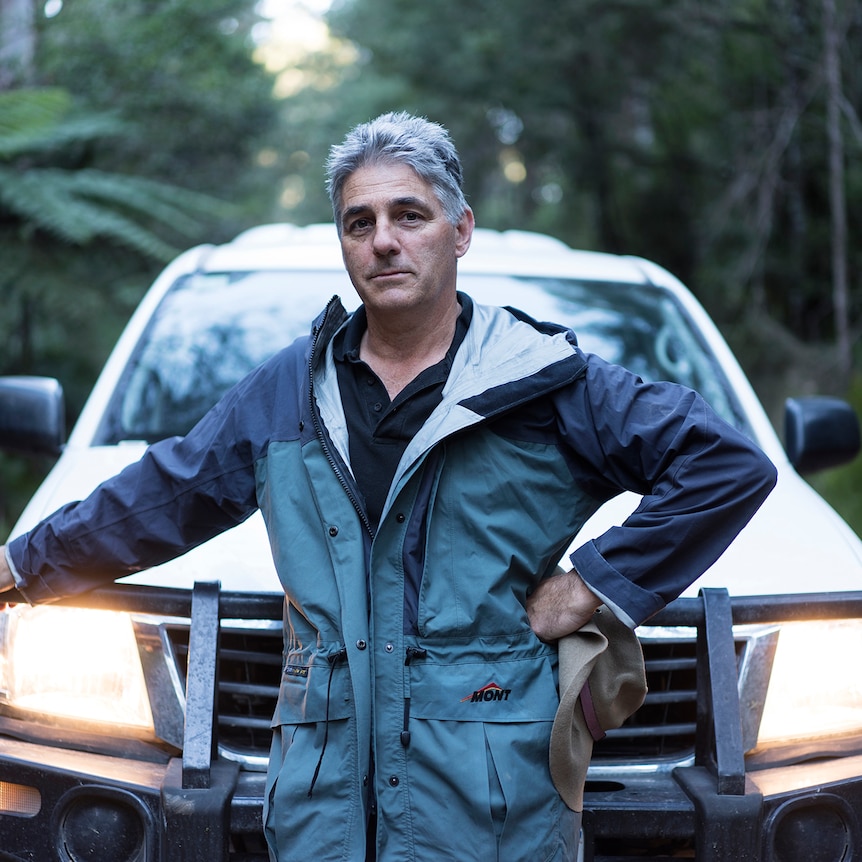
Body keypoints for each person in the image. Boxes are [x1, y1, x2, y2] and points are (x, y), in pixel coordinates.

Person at [0, 111, 777, 861]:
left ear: (461, 229)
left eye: (410, 215)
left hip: (487, 808)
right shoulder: (289, 393)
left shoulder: (543, 385)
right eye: (359, 222)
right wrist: (21, 566)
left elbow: (725, 467)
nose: (384, 242)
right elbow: (160, 496)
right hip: (320, 809)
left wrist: (592, 585)